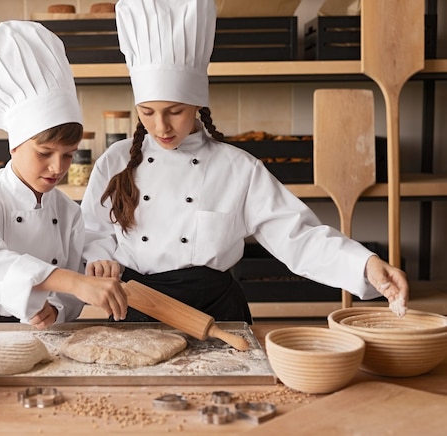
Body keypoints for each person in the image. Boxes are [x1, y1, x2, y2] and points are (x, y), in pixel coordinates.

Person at [81, 0, 409, 324]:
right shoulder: (115, 161)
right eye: (148, 112)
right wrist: (100, 260)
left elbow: (297, 235)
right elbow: (92, 231)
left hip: (217, 313)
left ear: (197, 105)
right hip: (137, 308)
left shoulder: (238, 169)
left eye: (175, 111)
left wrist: (365, 265)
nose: (161, 126)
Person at [0, 21, 128, 326]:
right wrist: (73, 282)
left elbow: (69, 298)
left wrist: (56, 308)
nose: (58, 168)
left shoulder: (69, 212)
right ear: (15, 146)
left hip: (37, 331)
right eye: (45, 154)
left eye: (68, 155)